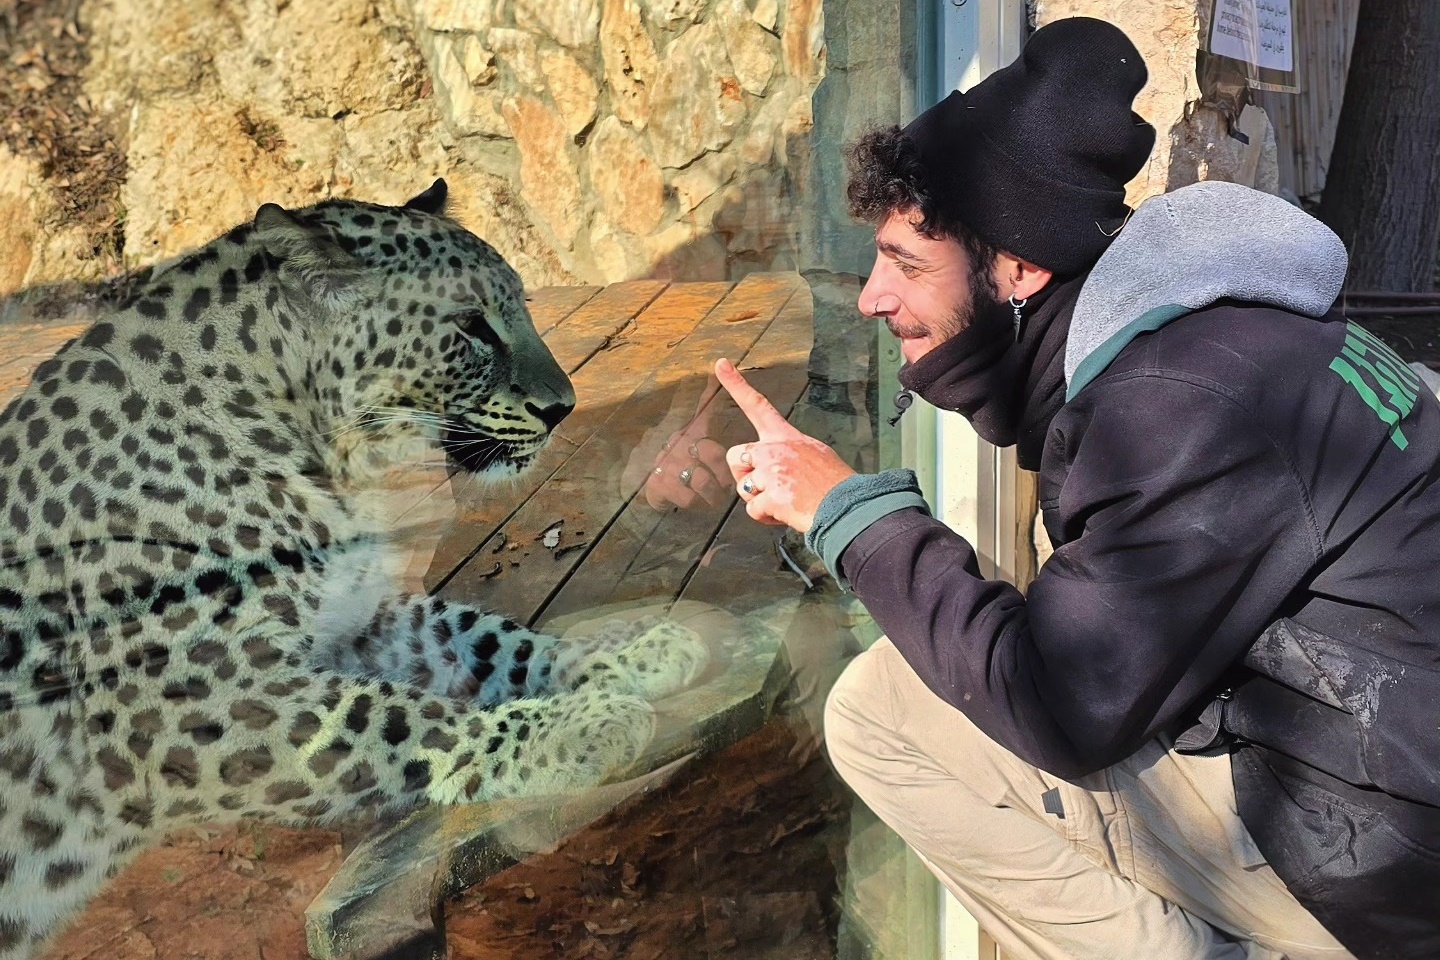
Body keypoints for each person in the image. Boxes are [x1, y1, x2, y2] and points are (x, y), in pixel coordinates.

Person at [712, 16, 1440, 960]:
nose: (870, 298)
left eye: (904, 263)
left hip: (1383, 867)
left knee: (883, 713)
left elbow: (1063, 706)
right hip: (1383, 780)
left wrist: (851, 514)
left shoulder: (1179, 407)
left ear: (1017, 264)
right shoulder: (1220, 338)